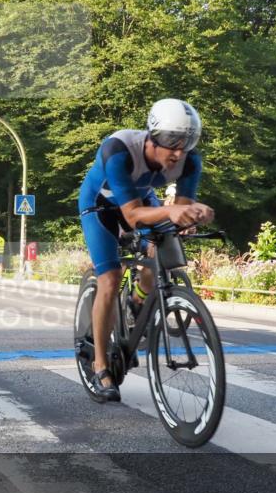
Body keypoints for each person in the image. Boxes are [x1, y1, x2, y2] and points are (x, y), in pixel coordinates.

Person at [78, 98, 214, 403]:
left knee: (159, 257)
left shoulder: (189, 161)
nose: (179, 152)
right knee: (110, 279)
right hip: (101, 207)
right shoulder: (119, 150)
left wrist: (196, 213)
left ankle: (136, 306)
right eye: (172, 143)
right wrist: (172, 213)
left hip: (143, 203)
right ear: (152, 136)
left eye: (187, 143)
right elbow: (132, 217)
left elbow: (177, 213)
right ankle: (100, 366)